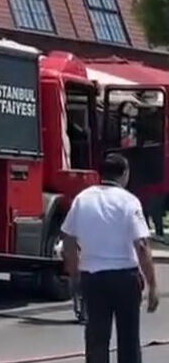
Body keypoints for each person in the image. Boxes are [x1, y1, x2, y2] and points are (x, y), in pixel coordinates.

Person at [61, 153, 159, 363]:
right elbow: (141, 246)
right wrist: (152, 285)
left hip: (93, 278)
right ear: (124, 174)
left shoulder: (82, 199)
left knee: (96, 337)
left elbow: (68, 239)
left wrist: (75, 272)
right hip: (125, 278)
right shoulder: (129, 201)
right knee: (129, 339)